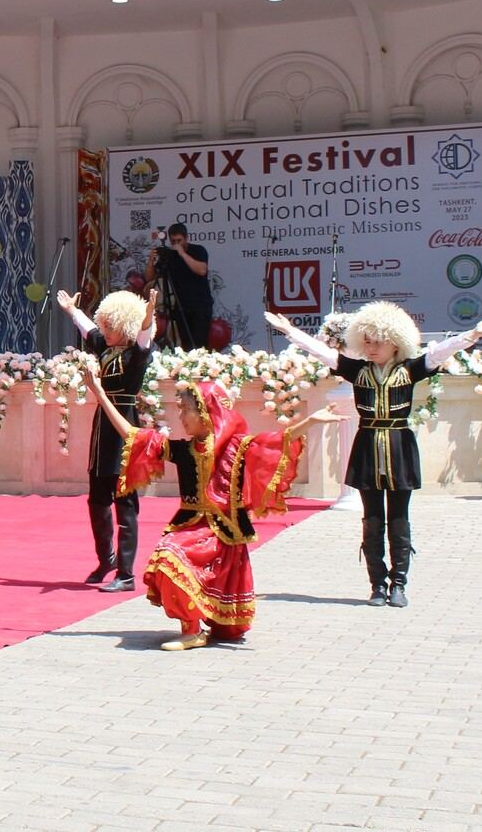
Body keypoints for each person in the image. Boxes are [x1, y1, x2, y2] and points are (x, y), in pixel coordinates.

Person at [266, 304, 482, 607]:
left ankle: (399, 584)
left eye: (377, 341)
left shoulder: (410, 369)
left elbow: (440, 352)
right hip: (367, 446)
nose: (370, 348)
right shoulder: (357, 371)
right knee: (372, 519)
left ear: (395, 341)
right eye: (365, 341)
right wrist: (290, 331)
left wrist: (473, 334)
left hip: (399, 447)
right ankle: (377, 585)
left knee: (398, 518)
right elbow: (320, 352)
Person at [86, 369, 342, 649]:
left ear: (205, 412)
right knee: (168, 555)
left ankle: (200, 628)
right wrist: (100, 395)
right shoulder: (183, 450)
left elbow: (276, 441)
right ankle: (191, 630)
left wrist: (312, 421)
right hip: (192, 527)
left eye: (185, 410)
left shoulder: (234, 448)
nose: (181, 417)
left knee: (218, 613)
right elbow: (133, 434)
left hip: (223, 531)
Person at [58, 287, 157, 592]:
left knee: (125, 503)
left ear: (125, 325)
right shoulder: (105, 348)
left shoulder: (136, 355)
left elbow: (144, 336)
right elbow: (88, 331)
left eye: (111, 326)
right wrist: (73, 311)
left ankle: (126, 575)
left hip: (125, 428)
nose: (105, 332)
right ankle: (107, 560)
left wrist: (149, 313)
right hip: (102, 430)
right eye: (105, 326)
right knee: (97, 500)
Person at [145, 223, 212, 349]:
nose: (176, 244)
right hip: (181, 307)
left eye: (179, 240)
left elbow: (202, 270)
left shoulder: (198, 250)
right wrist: (151, 261)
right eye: (173, 241)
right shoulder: (170, 256)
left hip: (200, 306)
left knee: (200, 344)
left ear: (187, 238)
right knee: (186, 346)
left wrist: (183, 254)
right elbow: (149, 278)